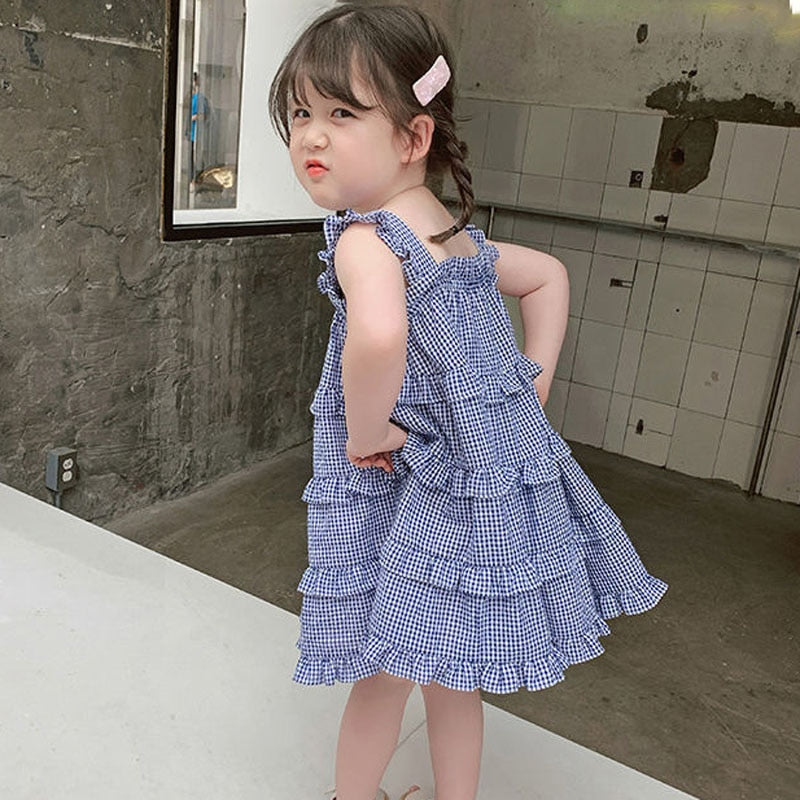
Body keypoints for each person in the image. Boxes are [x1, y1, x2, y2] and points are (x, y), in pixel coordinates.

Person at [269, 5, 668, 800]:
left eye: (342, 114)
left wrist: (368, 429)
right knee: (455, 670)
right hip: (476, 490)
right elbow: (548, 276)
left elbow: (379, 336)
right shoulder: (452, 236)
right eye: (301, 113)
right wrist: (532, 383)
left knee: (386, 668)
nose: (312, 136)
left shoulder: (365, 239)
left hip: (413, 487)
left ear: (412, 137)